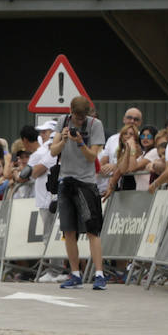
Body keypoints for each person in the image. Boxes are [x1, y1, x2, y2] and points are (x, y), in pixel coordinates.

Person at [50, 95, 107, 290]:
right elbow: (52, 151)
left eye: (83, 117)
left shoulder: (95, 125)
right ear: (71, 112)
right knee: (69, 230)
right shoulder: (63, 122)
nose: (80, 121)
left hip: (86, 182)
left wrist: (81, 142)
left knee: (92, 229)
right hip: (66, 181)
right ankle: (75, 273)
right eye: (77, 117)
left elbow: (92, 157)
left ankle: (99, 274)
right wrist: (64, 140)